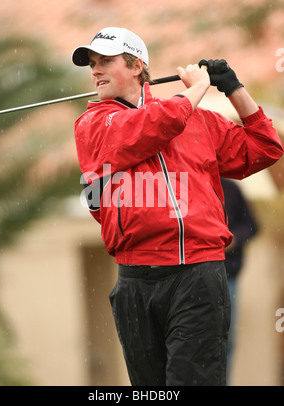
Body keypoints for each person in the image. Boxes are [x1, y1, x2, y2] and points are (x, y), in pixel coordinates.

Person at [72, 27, 283, 386]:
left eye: (105, 61)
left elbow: (265, 148)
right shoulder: (94, 123)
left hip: (198, 274)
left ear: (136, 65)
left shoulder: (197, 120)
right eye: (92, 64)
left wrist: (234, 88)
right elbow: (153, 126)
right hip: (135, 280)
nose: (95, 71)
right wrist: (197, 88)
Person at [220, 178, 258, 381]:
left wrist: (233, 239)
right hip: (193, 276)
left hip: (228, 276)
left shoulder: (231, 189)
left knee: (226, 341)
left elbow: (252, 225)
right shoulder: (186, 184)